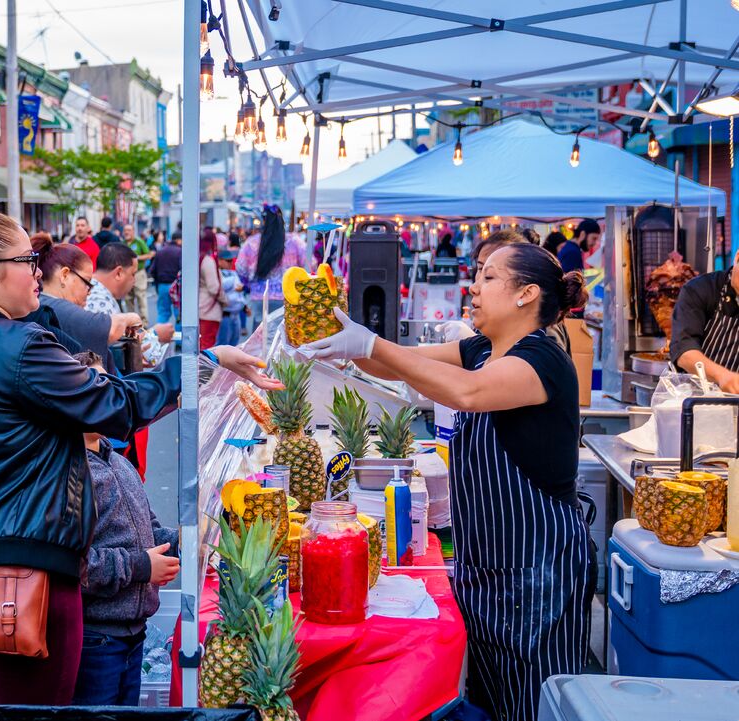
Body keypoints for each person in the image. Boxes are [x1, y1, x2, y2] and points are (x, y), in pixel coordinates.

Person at [0, 206, 277, 720]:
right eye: (28, 260)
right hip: (17, 574)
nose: (38, 271)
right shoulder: (20, 347)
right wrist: (202, 363)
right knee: (31, 713)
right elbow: (117, 404)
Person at [299, 243, 593, 721]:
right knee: (492, 701)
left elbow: (468, 392)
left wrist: (371, 345)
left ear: (527, 294)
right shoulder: (479, 349)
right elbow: (395, 363)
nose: (473, 288)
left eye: (489, 277)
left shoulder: (543, 359)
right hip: (486, 568)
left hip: (540, 572)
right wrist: (344, 338)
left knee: (535, 705)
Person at [71, 351, 179, 706]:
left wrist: (189, 541)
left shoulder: (119, 461)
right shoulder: (70, 472)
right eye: (91, 387)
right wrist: (142, 567)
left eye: (107, 386)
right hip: (96, 639)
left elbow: (151, 532)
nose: (104, 396)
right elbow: (75, 563)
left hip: (135, 635)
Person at [31, 235, 140, 372]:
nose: (89, 291)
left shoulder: (44, 302)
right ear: (64, 275)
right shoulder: (53, 305)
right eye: (87, 282)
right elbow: (108, 329)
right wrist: (130, 318)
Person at [670, 248, 739, 393]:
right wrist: (723, 377)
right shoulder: (700, 289)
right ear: (737, 257)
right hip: (694, 400)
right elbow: (684, 351)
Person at [236, 205, 309, 332]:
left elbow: (240, 268)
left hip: (259, 298)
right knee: (283, 338)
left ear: (263, 222)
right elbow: (308, 264)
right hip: (288, 297)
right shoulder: (294, 241)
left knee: (261, 337)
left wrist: (248, 284)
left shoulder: (251, 243)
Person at [86, 242, 138, 316]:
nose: (134, 281)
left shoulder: (89, 288)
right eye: (133, 274)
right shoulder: (101, 303)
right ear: (118, 273)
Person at [199, 228, 228, 350]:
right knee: (207, 346)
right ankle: (205, 370)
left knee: (201, 343)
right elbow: (214, 287)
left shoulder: (197, 258)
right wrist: (225, 300)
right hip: (209, 309)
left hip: (200, 307)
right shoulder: (208, 261)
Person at [122, 224, 154, 324]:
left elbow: (149, 255)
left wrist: (137, 257)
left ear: (133, 231)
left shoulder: (139, 242)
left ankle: (144, 323)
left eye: (129, 230)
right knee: (128, 298)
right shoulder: (122, 243)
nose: (127, 232)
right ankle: (132, 323)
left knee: (141, 297)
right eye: (125, 230)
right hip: (126, 274)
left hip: (138, 273)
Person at [149, 231, 182, 324]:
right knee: (179, 315)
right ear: (179, 240)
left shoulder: (161, 251)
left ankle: (159, 335)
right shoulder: (180, 251)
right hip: (177, 287)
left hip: (162, 286)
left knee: (163, 313)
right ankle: (180, 338)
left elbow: (152, 270)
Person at [215, 249, 245, 347]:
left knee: (234, 344)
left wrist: (245, 307)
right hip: (224, 314)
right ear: (219, 260)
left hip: (235, 314)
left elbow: (239, 293)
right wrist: (233, 282)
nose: (230, 263)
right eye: (228, 261)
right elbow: (220, 287)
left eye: (231, 261)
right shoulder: (216, 273)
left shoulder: (233, 273)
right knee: (222, 345)